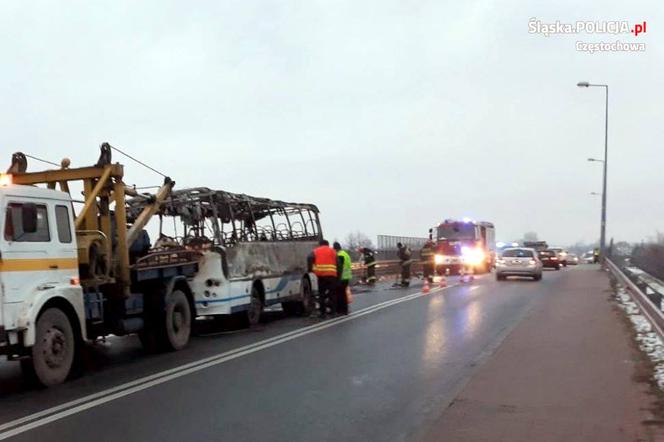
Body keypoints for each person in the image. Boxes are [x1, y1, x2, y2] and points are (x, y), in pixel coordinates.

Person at [308, 239, 338, 318]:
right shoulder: (333, 251)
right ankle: (333, 312)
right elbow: (338, 262)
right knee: (332, 294)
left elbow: (309, 258)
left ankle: (323, 313)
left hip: (321, 275)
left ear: (320, 244)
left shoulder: (315, 251)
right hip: (332, 275)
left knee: (322, 294)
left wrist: (310, 269)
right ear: (328, 244)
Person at [334, 242, 352, 315]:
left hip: (342, 277)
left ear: (335, 248)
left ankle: (341, 310)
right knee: (343, 293)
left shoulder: (340, 255)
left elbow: (339, 267)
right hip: (347, 276)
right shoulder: (345, 254)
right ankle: (345, 309)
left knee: (340, 294)